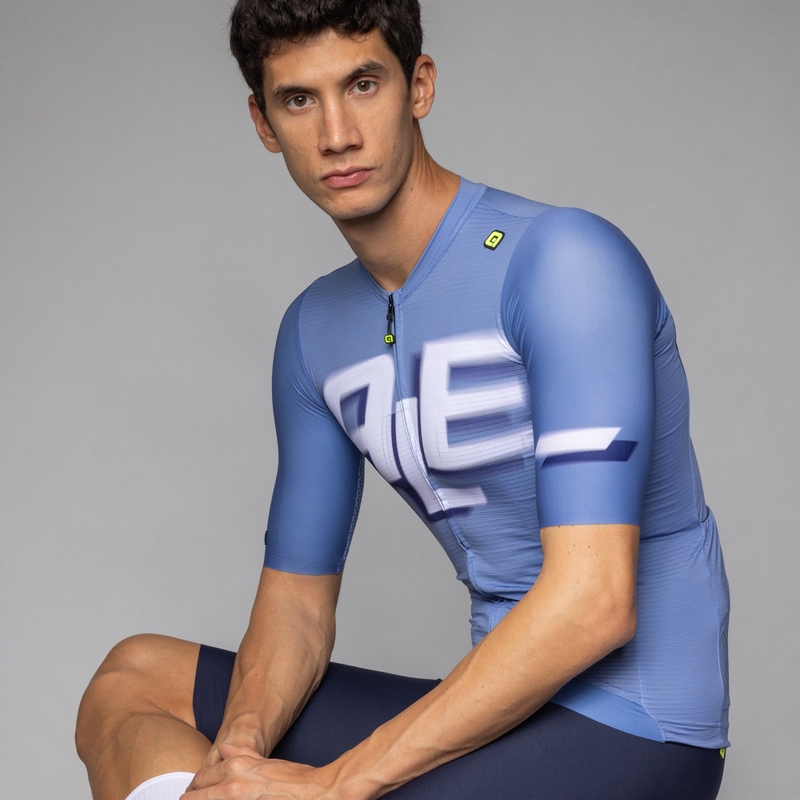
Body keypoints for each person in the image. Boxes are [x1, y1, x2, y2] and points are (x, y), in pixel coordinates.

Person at [75, 1, 730, 798]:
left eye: (362, 85)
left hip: (637, 732)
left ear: (418, 85)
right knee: (135, 679)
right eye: (299, 99)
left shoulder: (564, 261)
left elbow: (594, 602)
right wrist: (238, 754)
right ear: (263, 122)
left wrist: (333, 786)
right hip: (496, 722)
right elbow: (296, 606)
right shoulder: (314, 331)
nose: (337, 134)